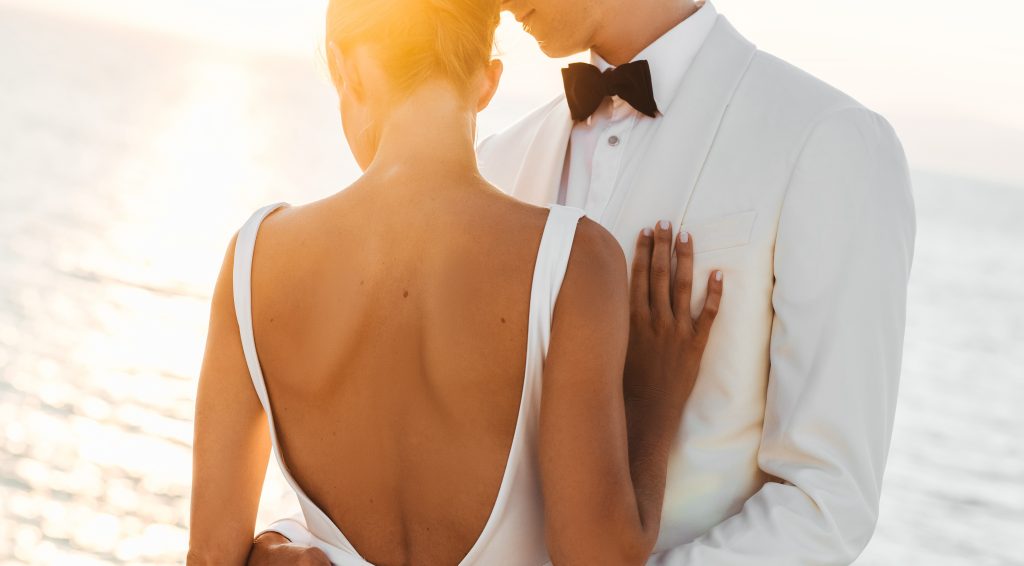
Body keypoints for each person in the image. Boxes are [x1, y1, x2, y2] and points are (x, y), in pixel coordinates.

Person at [251, 0, 916, 564]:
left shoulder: (829, 142)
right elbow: (394, 413)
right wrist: (297, 537)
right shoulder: (498, 160)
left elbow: (825, 501)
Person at [188, 0, 724, 564]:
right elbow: (598, 558)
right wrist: (651, 405)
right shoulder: (575, 261)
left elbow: (209, 558)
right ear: (489, 82)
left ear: (347, 68)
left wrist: (281, 543)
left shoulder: (254, 256)